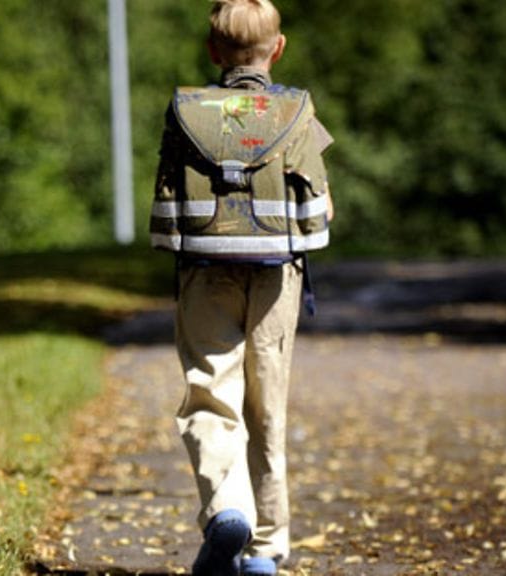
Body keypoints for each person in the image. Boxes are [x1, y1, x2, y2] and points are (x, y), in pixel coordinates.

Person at [149, 1, 335, 575]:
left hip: (205, 272)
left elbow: (165, 209)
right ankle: (265, 551)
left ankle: (228, 507)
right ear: (278, 48)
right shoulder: (297, 111)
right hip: (277, 275)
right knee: (267, 409)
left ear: (212, 52)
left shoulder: (186, 111)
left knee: (211, 395)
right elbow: (317, 215)